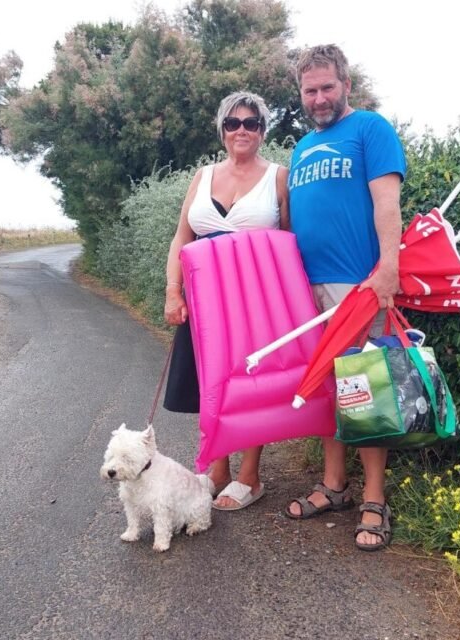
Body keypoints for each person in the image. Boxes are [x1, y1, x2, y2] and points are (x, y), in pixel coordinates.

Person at [285, 44, 407, 551]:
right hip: (306, 288)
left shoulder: (370, 129)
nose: (318, 99)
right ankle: (334, 487)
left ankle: (374, 498)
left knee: (367, 391)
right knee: (326, 390)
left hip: (357, 287)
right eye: (309, 91)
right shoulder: (299, 149)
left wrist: (388, 270)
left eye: (326, 88)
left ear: (346, 85)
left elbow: (387, 202)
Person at [162, 91, 290, 511]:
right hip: (203, 298)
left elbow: (289, 242)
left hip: (255, 299)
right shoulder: (202, 175)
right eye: (233, 123)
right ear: (222, 130)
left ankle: (250, 477)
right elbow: (183, 236)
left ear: (263, 131)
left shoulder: (278, 177)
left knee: (249, 386)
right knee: (210, 381)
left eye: (251, 123)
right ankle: (217, 469)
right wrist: (173, 291)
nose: (241, 130)